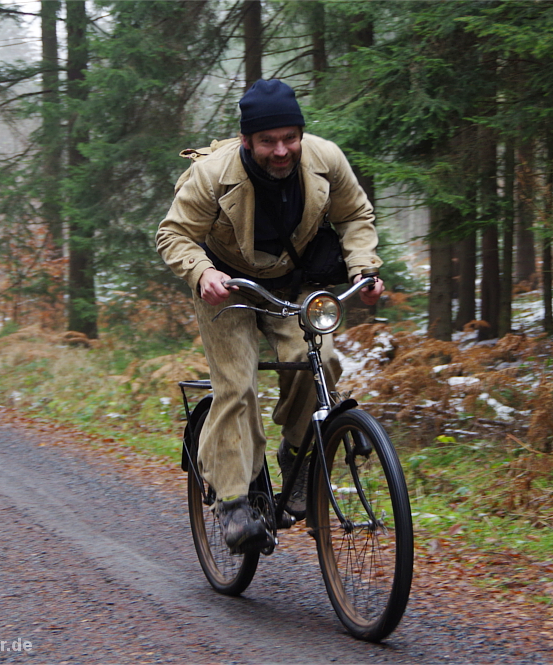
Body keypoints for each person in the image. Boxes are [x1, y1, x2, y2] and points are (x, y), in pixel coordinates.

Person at [157, 79, 384, 554]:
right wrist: (202, 273)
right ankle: (234, 502)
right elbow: (173, 235)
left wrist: (364, 267)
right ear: (246, 141)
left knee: (320, 361)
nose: (281, 150)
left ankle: (299, 460)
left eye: (290, 138)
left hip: (292, 284)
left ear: (300, 134)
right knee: (236, 386)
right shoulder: (211, 176)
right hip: (228, 290)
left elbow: (355, 216)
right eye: (268, 141)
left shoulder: (325, 159)